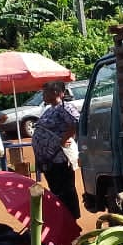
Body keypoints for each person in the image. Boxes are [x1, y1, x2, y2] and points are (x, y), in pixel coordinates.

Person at [31, 81, 81, 219]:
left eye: (44, 92)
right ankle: (62, 219)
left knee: (65, 191)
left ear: (55, 93)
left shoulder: (64, 107)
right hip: (49, 160)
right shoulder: (49, 109)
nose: (43, 95)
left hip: (59, 159)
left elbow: (76, 122)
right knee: (56, 191)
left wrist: (64, 139)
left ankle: (71, 220)